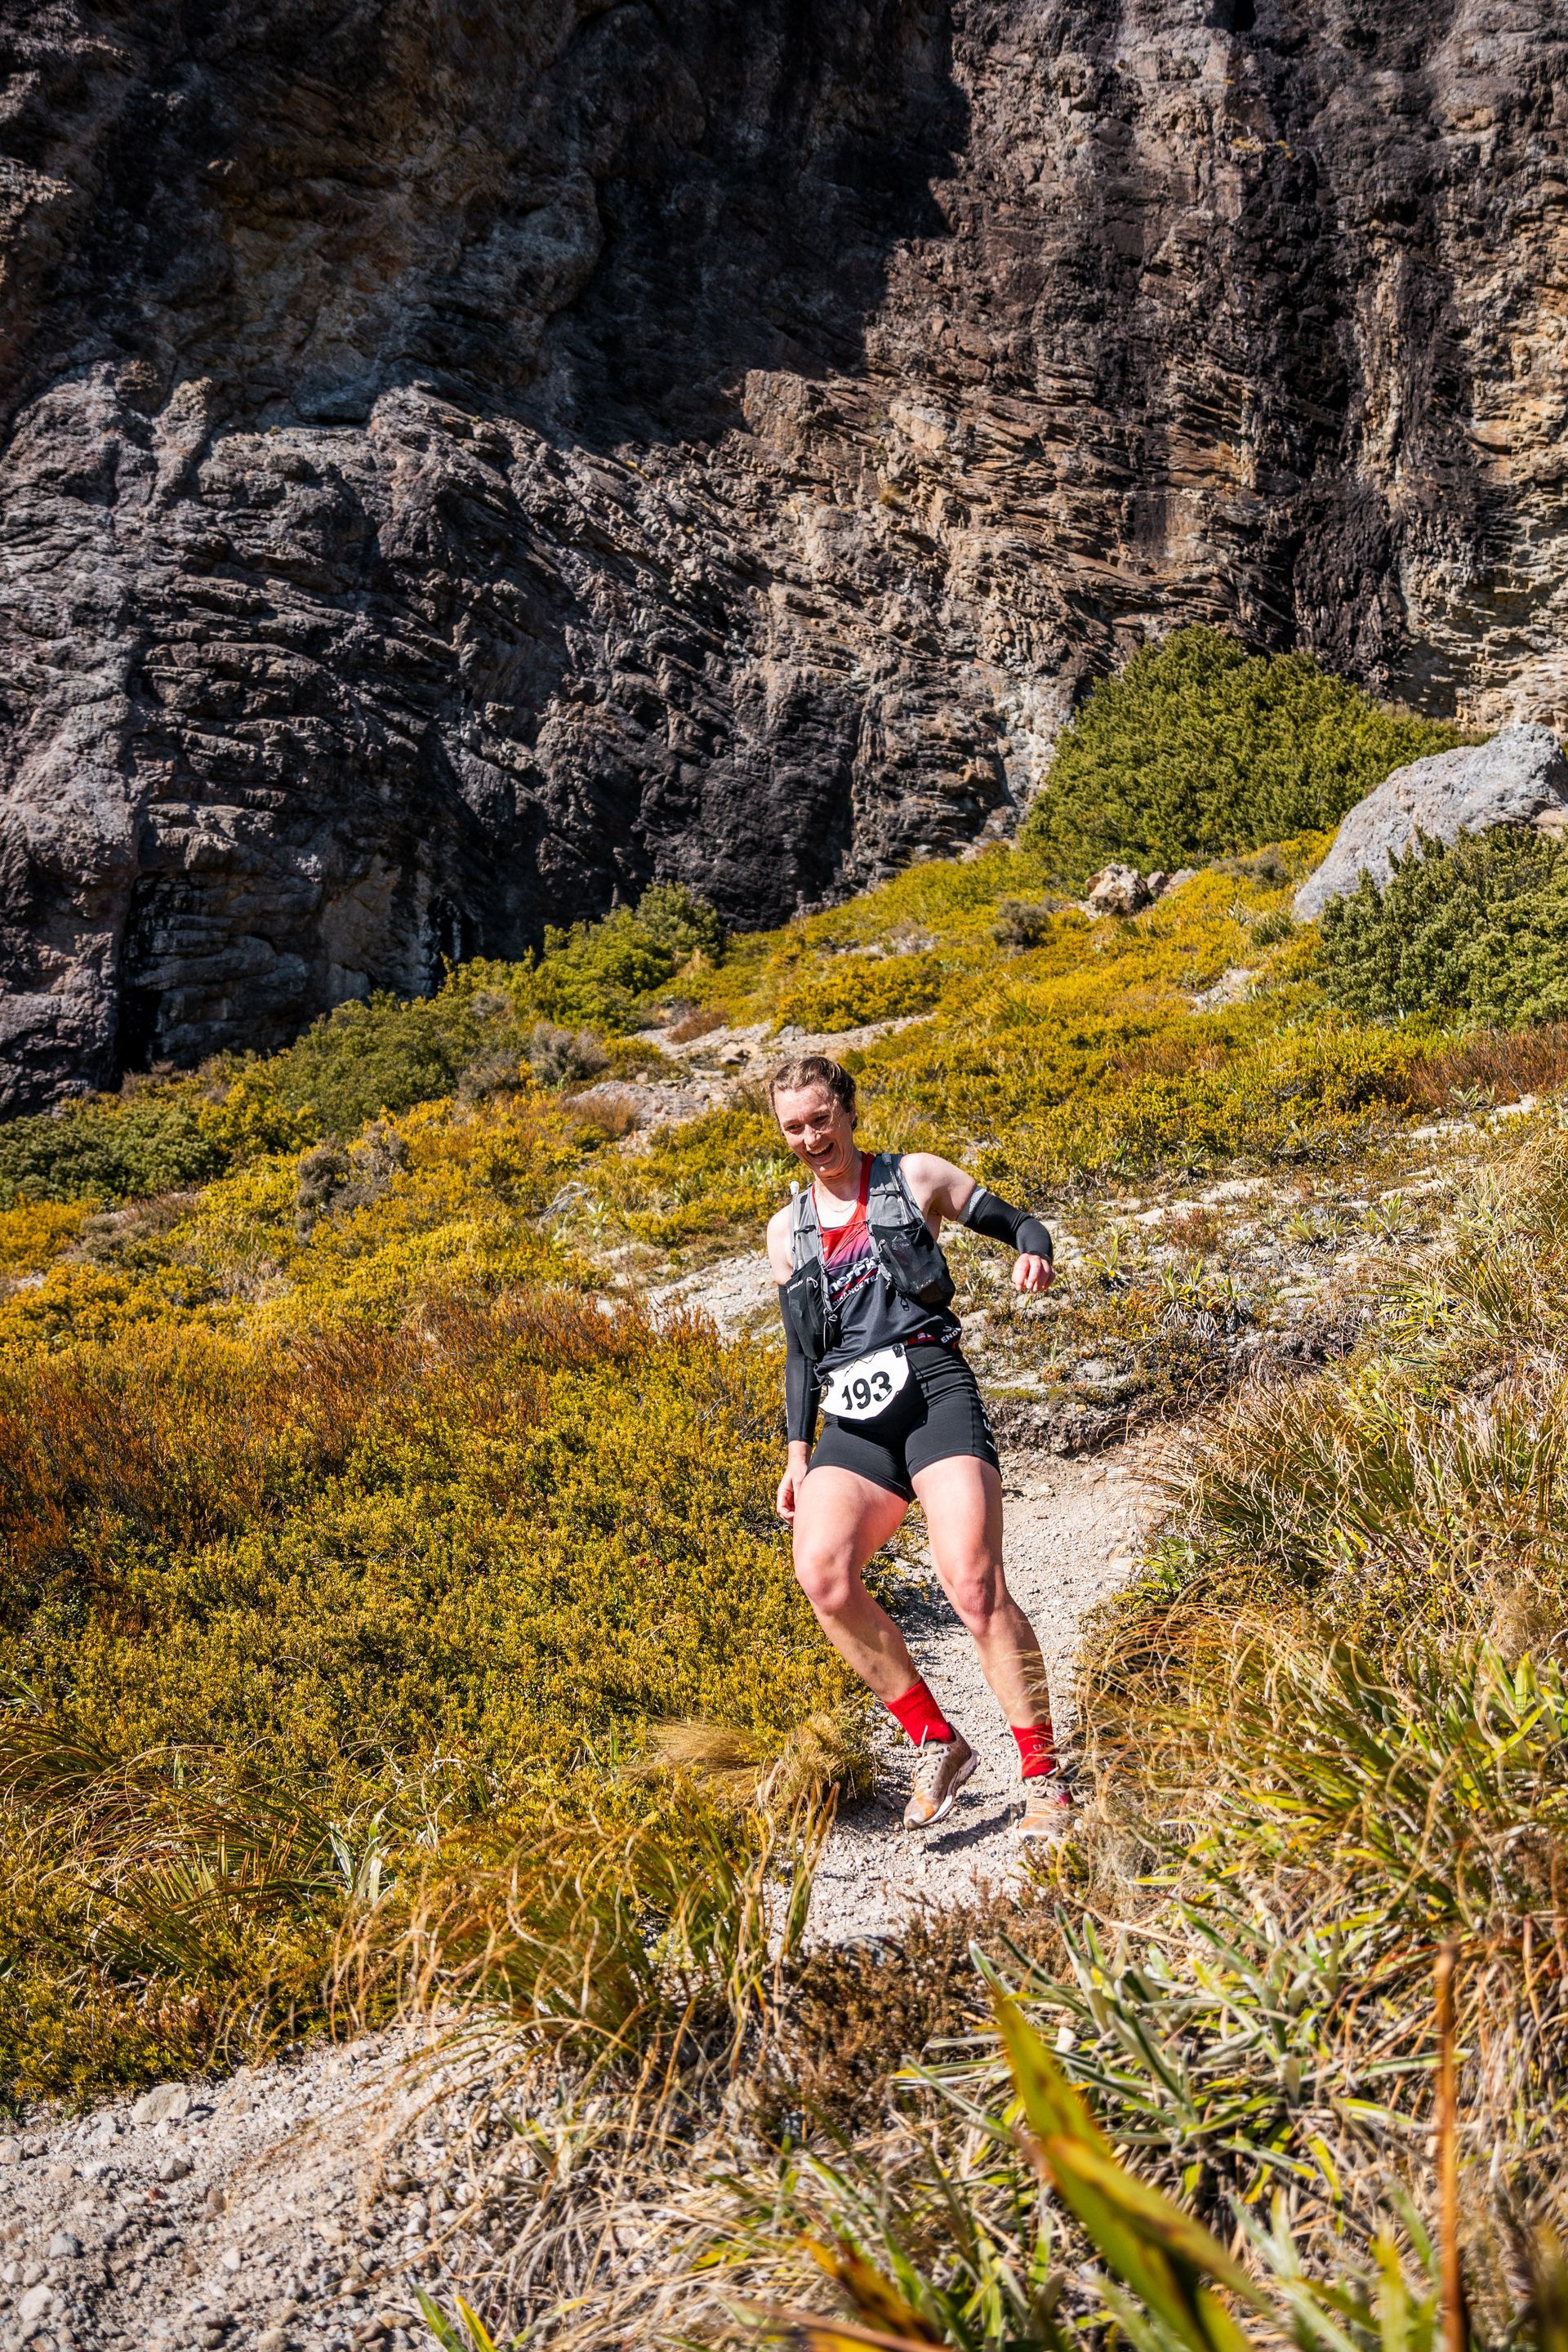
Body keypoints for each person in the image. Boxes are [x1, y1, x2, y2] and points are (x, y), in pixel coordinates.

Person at [764, 1053, 1074, 1842]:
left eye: (821, 1119)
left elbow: (1018, 1222)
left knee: (972, 1584)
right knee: (823, 1574)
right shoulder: (787, 1231)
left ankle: (1044, 1777)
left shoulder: (915, 1177)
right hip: (852, 1419)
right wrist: (798, 1452)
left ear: (847, 1110)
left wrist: (1032, 1250)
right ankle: (938, 1741)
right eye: (794, 1128)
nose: (811, 1138)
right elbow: (800, 1352)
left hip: (933, 1388)